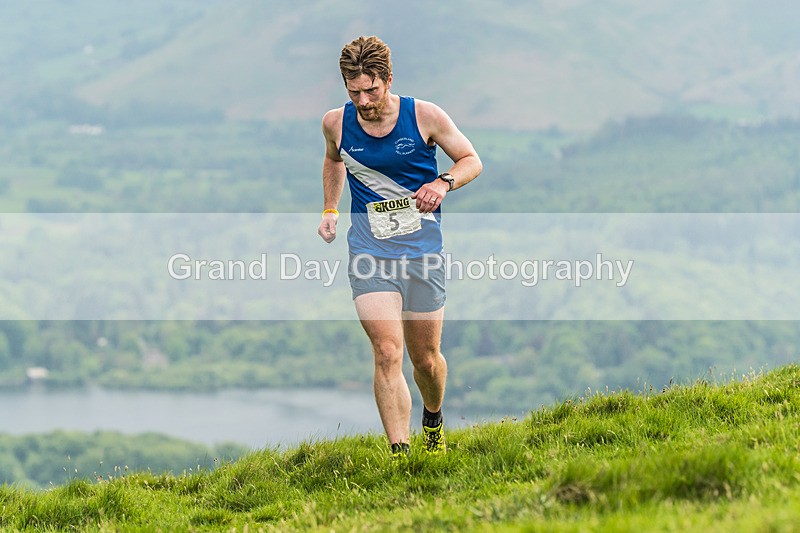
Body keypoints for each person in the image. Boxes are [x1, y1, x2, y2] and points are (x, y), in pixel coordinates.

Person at [317, 35, 482, 457]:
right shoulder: (336, 122)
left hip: (423, 252)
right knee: (387, 351)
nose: (363, 100)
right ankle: (400, 454)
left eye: (371, 89)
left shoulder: (424, 115)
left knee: (425, 361)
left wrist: (442, 183)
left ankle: (433, 418)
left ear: (388, 80)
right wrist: (330, 209)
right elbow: (334, 160)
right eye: (354, 91)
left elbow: (471, 160)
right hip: (370, 249)